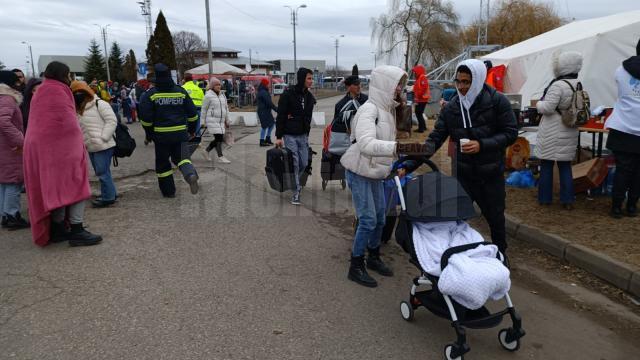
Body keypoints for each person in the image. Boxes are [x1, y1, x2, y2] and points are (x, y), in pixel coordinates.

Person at [341, 65, 429, 287]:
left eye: (401, 84)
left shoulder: (388, 110)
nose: (400, 88)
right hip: (360, 171)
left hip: (377, 173)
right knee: (369, 219)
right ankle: (356, 263)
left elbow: (394, 139)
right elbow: (366, 143)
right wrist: (398, 149)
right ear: (384, 84)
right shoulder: (369, 111)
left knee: (381, 217)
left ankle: (373, 256)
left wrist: (396, 160)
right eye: (397, 84)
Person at [424, 59, 518, 255]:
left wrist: (482, 145)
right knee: (457, 218)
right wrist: (409, 163)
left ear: (477, 80)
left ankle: (501, 254)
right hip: (463, 173)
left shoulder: (497, 101)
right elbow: (435, 138)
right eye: (458, 81)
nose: (461, 87)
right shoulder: (452, 108)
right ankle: (459, 256)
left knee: (495, 218)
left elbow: (510, 132)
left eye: (466, 82)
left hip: (490, 173)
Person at [23, 61, 102, 246]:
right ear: (63, 75)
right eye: (68, 74)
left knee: (55, 188)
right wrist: (78, 148)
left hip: (40, 149)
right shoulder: (59, 90)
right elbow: (68, 124)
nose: (70, 78)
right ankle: (77, 230)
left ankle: (57, 229)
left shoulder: (41, 90)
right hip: (61, 149)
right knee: (76, 186)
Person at [139, 63, 200, 198]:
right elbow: (193, 114)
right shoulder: (180, 91)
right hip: (180, 133)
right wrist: (191, 130)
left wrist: (149, 134)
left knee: (163, 163)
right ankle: (190, 175)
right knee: (183, 158)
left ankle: (169, 191)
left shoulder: (151, 95)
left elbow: (145, 119)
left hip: (161, 135)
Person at [535, 51, 584, 210]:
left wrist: (538, 104)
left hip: (552, 129)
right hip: (569, 128)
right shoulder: (578, 84)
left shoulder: (557, 85)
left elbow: (548, 108)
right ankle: (567, 200)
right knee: (565, 166)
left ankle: (544, 199)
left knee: (547, 165)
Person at [605, 39, 640, 218]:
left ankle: (616, 207)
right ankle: (632, 206)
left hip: (622, 127)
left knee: (623, 169)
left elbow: (620, 91)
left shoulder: (621, 70)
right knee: (638, 172)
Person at [71, 80, 118, 208]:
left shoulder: (100, 103)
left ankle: (108, 197)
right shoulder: (76, 108)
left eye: (80, 91)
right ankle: (111, 193)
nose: (78, 94)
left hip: (103, 145)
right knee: (103, 171)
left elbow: (112, 121)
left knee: (102, 172)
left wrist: (103, 137)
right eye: (75, 92)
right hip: (90, 146)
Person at [275, 68, 316, 205]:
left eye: (312, 78)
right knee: (295, 162)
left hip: (303, 135)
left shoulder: (309, 97)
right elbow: (281, 115)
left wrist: (307, 132)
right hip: (289, 134)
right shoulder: (288, 94)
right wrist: (279, 136)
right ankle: (296, 191)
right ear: (302, 78)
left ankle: (294, 183)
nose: (311, 81)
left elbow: (308, 117)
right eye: (309, 78)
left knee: (304, 162)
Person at [0, 71, 30, 230]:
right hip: (11, 148)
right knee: (13, 181)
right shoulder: (7, 98)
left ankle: (5, 215)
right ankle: (12, 215)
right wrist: (20, 140)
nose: (19, 83)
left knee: (4, 183)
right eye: (16, 81)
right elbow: (3, 122)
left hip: (3, 147)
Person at [201, 77, 231, 163]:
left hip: (221, 121)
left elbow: (226, 108)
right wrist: (202, 122)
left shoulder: (222, 95)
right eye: (216, 85)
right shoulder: (208, 96)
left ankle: (206, 151)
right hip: (212, 120)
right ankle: (220, 156)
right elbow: (204, 109)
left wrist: (227, 120)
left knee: (219, 139)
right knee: (219, 138)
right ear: (212, 86)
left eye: (219, 84)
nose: (218, 86)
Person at [256, 78, 277, 147]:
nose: (269, 85)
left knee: (271, 124)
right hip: (263, 111)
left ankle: (267, 138)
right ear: (265, 84)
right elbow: (269, 103)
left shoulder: (263, 91)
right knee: (264, 126)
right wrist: (276, 109)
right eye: (268, 84)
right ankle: (262, 141)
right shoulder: (263, 92)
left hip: (266, 111)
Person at [411, 64, 431, 133]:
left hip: (422, 99)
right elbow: (417, 88)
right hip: (420, 99)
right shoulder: (419, 78)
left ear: (418, 71)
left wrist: (417, 95)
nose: (414, 73)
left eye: (415, 72)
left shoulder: (422, 78)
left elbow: (423, 88)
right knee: (419, 113)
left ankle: (421, 128)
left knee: (418, 113)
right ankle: (423, 127)